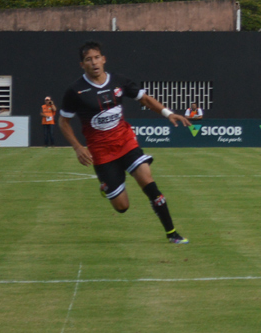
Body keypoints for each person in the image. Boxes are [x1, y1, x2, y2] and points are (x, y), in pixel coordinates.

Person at [58, 41, 190, 244]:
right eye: (88, 59)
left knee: (148, 183)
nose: (94, 62)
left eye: (97, 57)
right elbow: (63, 121)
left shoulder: (119, 81)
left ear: (104, 59)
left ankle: (172, 234)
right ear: (82, 64)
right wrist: (77, 147)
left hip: (126, 142)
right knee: (122, 207)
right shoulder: (75, 91)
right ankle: (107, 187)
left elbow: (144, 99)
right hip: (101, 152)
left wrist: (168, 113)